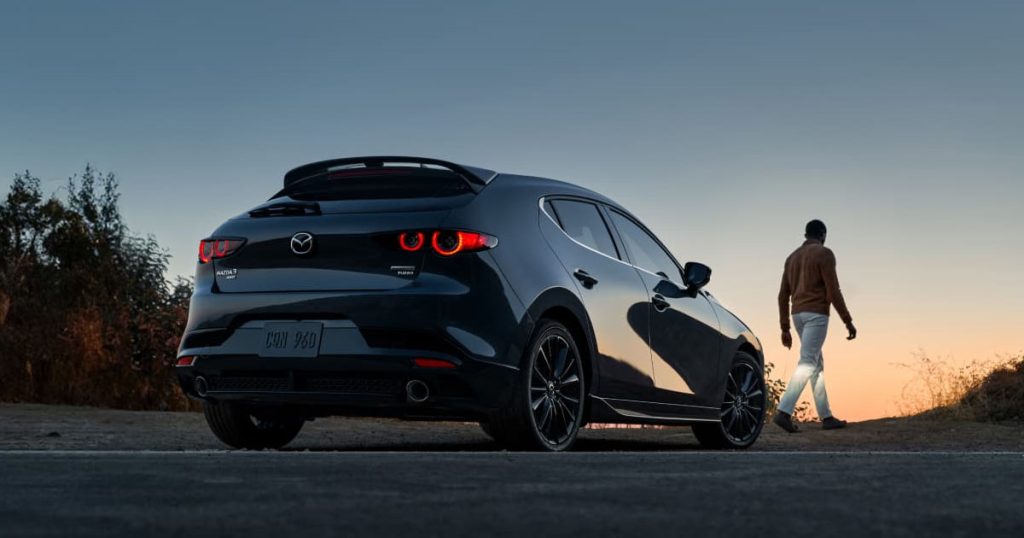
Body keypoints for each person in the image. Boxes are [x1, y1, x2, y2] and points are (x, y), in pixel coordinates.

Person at [773, 219, 856, 433]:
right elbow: (833, 290)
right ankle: (783, 411)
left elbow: (783, 295)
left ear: (805, 234)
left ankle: (826, 416)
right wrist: (847, 320)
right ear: (823, 235)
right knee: (808, 361)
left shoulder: (791, 258)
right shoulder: (824, 253)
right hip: (816, 314)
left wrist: (785, 328)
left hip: (797, 315)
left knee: (816, 364)